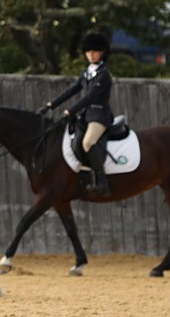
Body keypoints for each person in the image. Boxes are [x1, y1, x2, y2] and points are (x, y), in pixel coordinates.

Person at [39, 31, 114, 195]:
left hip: (100, 117)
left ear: (102, 52)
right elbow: (72, 90)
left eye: (94, 51)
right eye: (88, 52)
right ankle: (84, 177)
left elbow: (91, 97)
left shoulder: (104, 76)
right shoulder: (87, 72)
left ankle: (102, 182)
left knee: (87, 143)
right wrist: (51, 105)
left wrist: (70, 111)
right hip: (87, 116)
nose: (91, 54)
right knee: (75, 142)